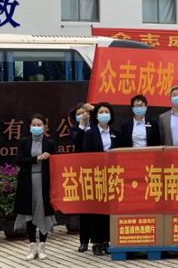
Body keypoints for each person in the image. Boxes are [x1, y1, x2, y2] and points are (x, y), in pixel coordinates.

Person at [13, 114, 57, 261]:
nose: (36, 127)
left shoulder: (49, 143)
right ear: (30, 126)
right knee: (30, 214)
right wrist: (37, 158)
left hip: (44, 182)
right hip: (27, 182)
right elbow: (19, 161)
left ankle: (42, 246)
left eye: (39, 125)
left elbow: (55, 164)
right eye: (34, 125)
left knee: (43, 213)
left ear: (45, 127)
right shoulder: (24, 142)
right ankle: (32, 247)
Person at [83, 102, 120, 256]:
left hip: (112, 175)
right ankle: (96, 242)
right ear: (96, 115)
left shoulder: (116, 132)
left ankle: (106, 240)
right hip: (96, 174)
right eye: (101, 112)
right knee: (96, 209)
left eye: (107, 112)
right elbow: (86, 154)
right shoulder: (90, 132)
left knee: (109, 209)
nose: (104, 114)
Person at [68, 102, 93, 252]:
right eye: (78, 114)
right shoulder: (74, 129)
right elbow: (77, 140)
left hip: (97, 169)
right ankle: (84, 241)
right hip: (82, 171)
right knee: (84, 208)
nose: (81, 115)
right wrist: (82, 123)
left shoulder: (96, 127)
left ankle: (100, 240)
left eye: (84, 113)